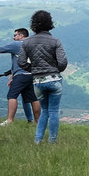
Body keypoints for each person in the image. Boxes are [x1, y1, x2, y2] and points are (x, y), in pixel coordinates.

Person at [19, 10, 67, 144]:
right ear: (50, 23)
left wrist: (34, 69)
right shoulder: (55, 41)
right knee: (53, 111)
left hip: (37, 81)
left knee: (44, 110)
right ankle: (52, 141)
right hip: (54, 79)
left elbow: (21, 62)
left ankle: (38, 140)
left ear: (33, 24)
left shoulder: (26, 42)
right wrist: (55, 70)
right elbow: (63, 62)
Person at [0, 27, 40, 124]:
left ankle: (9, 120)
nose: (14, 38)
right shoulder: (33, 45)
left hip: (21, 74)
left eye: (15, 35)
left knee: (12, 96)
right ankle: (38, 121)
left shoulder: (17, 45)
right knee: (33, 98)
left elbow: (1, 49)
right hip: (32, 74)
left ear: (21, 36)